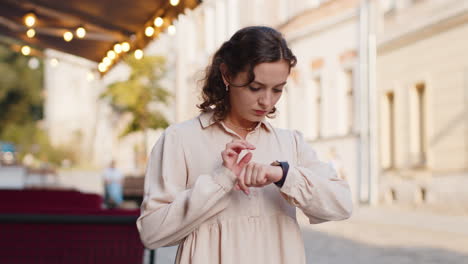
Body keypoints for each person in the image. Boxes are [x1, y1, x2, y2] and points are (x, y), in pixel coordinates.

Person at [137, 26, 352, 264]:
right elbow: (151, 233)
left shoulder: (290, 142)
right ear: (227, 75)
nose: (267, 101)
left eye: (278, 89)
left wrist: (284, 175)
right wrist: (221, 180)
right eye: (255, 88)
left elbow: (341, 205)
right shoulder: (180, 139)